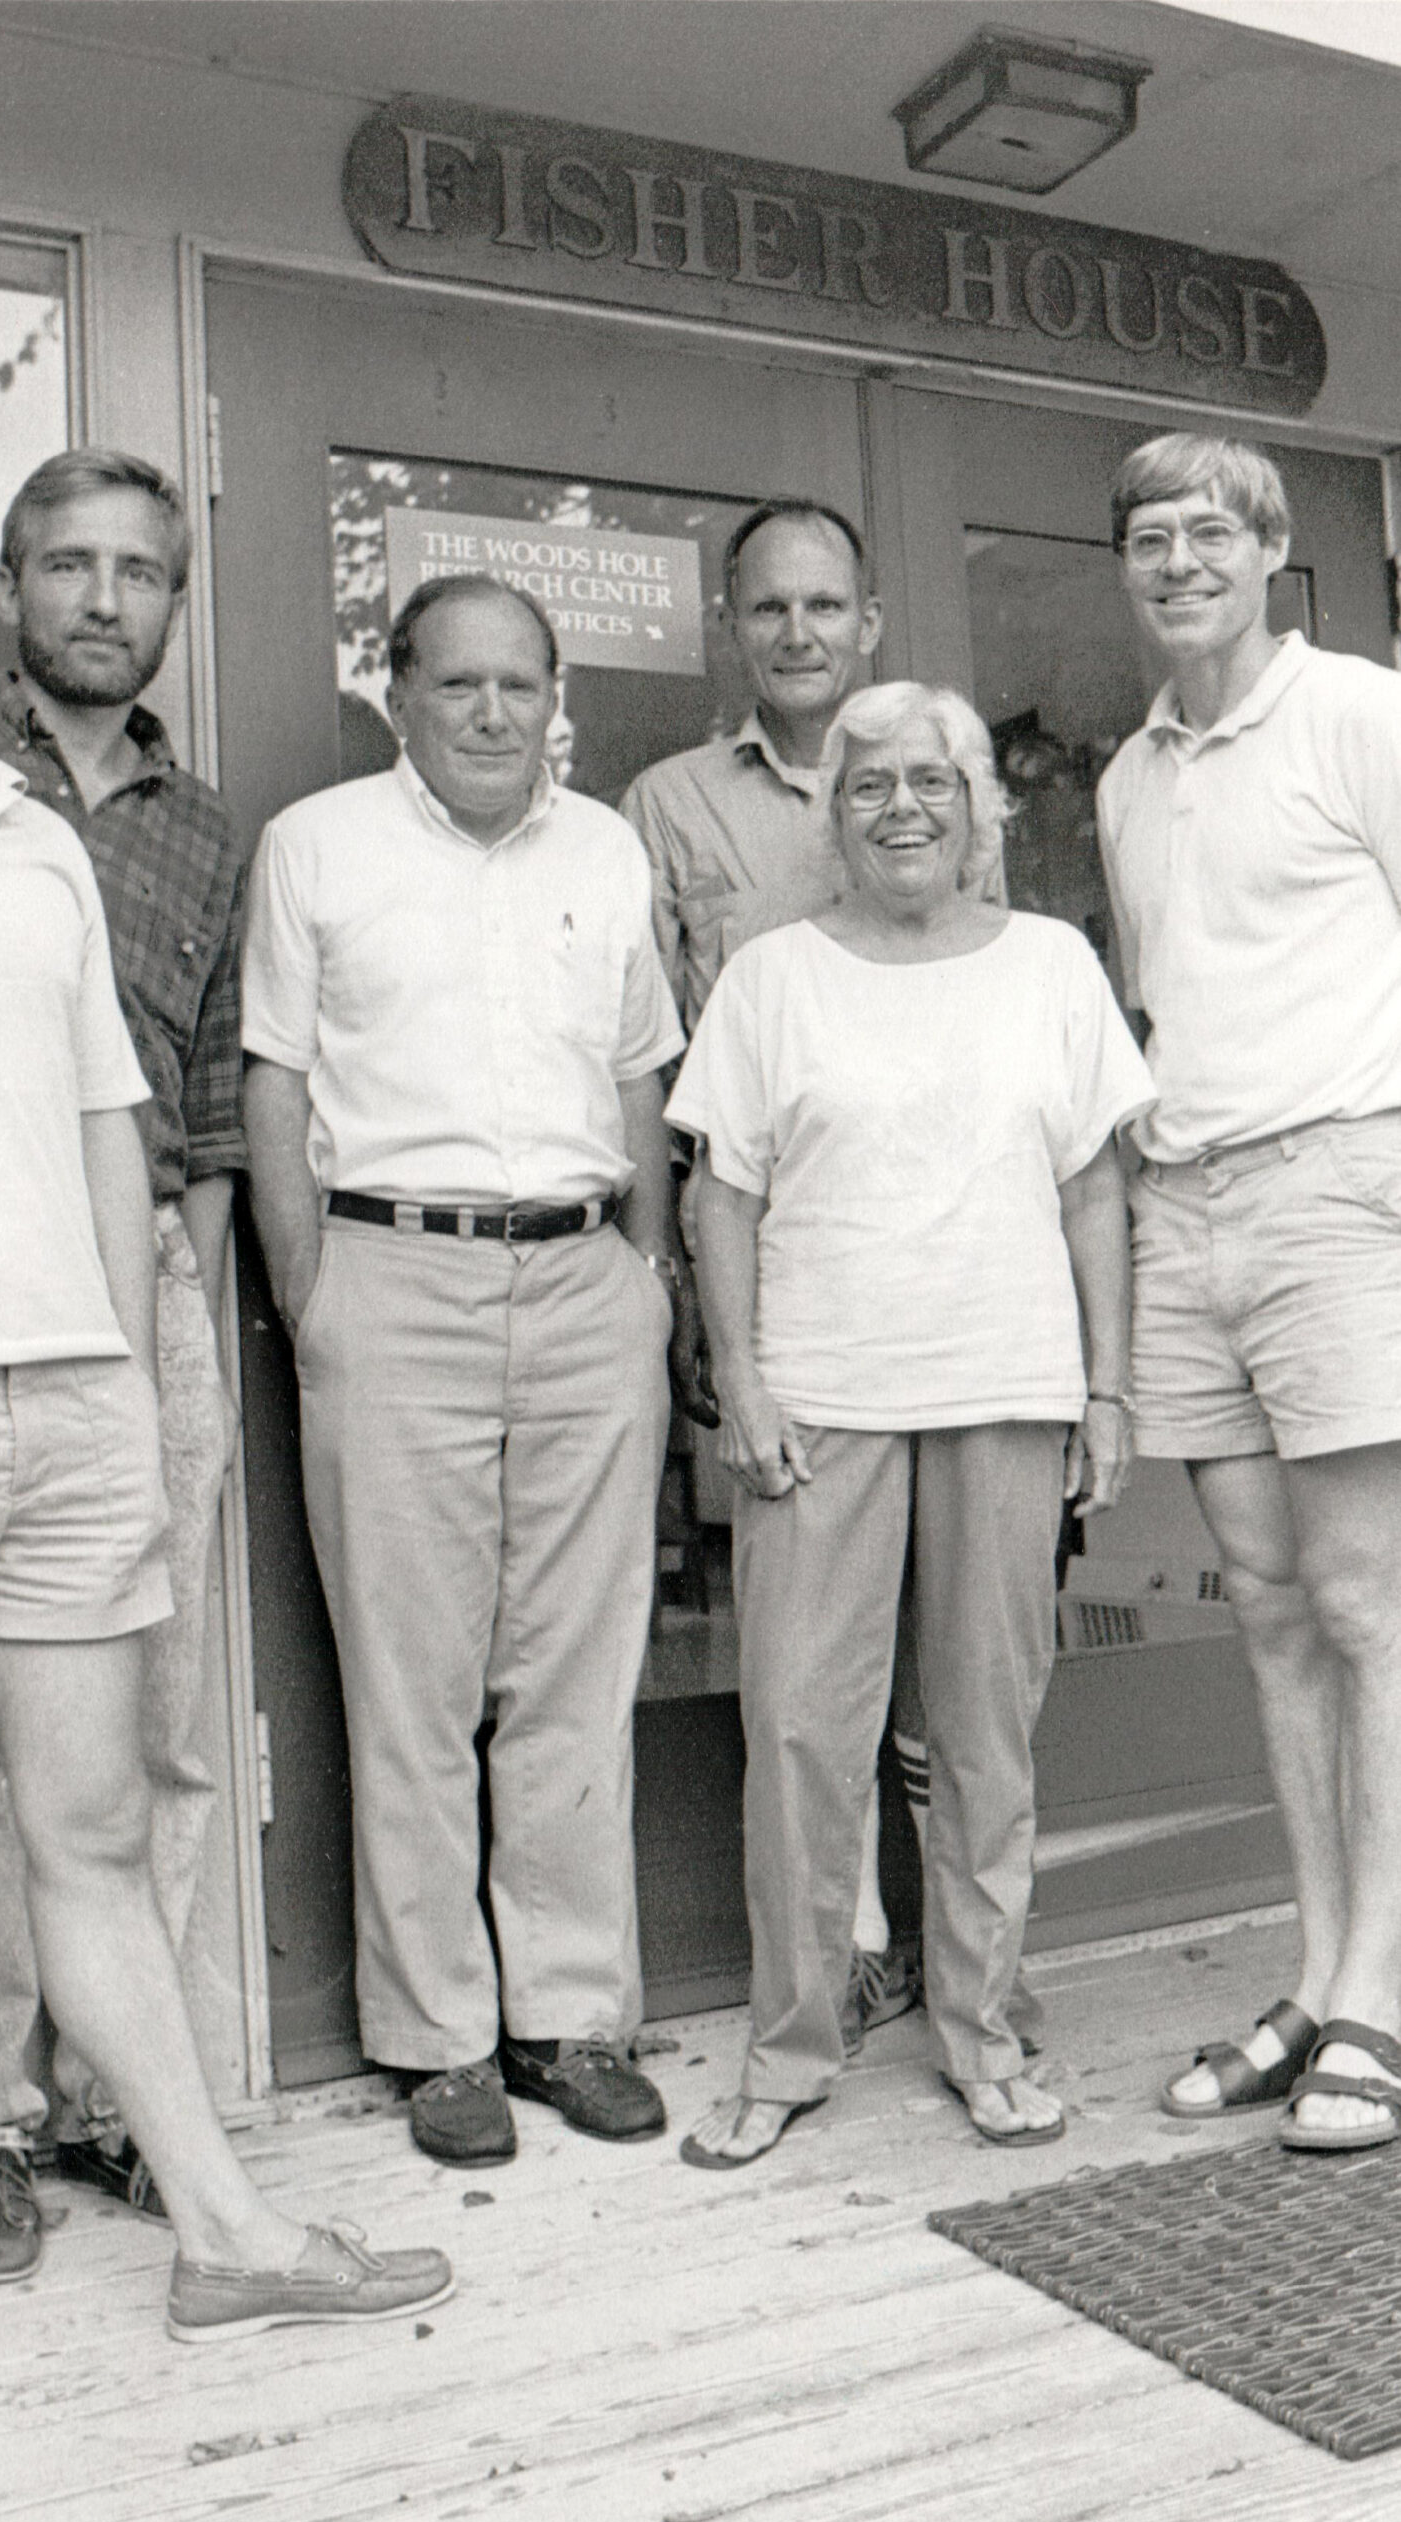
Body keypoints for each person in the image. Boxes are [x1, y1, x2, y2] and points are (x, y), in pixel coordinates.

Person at [0, 453, 450, 2408]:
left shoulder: (23, 837)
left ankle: (226, 2227)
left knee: (86, 1818)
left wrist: (104, 1380)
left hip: (59, 1395)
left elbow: (104, 1120)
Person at [666, 681, 1151, 2163]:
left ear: (980, 808)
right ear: (833, 815)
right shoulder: (771, 977)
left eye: (931, 783)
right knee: (805, 1734)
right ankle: (788, 2048)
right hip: (822, 1401)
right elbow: (720, 1192)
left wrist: (1108, 1388)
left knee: (987, 1740)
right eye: (869, 786)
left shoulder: (1053, 966)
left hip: (1004, 1387)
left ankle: (983, 2031)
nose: (901, 808)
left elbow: (1093, 1191)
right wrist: (741, 1380)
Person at [243, 574, 683, 2167]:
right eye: (460, 686)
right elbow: (276, 1081)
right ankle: (439, 2039)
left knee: (572, 1667)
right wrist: (317, 1295)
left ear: (554, 694)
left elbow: (641, 1073)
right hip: (391, 1272)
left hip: (584, 1278)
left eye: (521, 686)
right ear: (398, 693)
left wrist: (646, 1275)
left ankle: (569, 2017)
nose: (494, 714)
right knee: (413, 1679)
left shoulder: (607, 853)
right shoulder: (320, 846)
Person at [0, 449, 248, 2279]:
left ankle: (125, 2098)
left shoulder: (205, 828)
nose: (105, 598)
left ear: (174, 603)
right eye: (69, 566)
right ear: (10, 586)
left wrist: (177, 1327)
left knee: (160, 1724)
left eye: (141, 573)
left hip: (150, 1296)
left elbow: (204, 1100)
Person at [1098, 434, 1401, 2150]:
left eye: (1214, 530)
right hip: (1191, 1205)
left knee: (1374, 1611)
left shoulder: (1358, 711)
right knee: (1272, 1613)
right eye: (1150, 537)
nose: (1180, 559)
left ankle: (1386, 1999)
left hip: (1347, 1187)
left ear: (1275, 549)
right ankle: (1321, 1970)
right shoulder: (1135, 775)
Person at [621, 498, 920, 2047]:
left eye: (826, 606)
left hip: (933, 1249)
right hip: (762, 1250)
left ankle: (958, 1936)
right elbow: (655, 1056)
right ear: (731, 629)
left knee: (941, 1619)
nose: (799, 633)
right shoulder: (665, 803)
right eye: (769, 610)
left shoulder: (927, 779)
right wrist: (684, 1288)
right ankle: (846, 1940)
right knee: (801, 1618)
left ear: (870, 618)